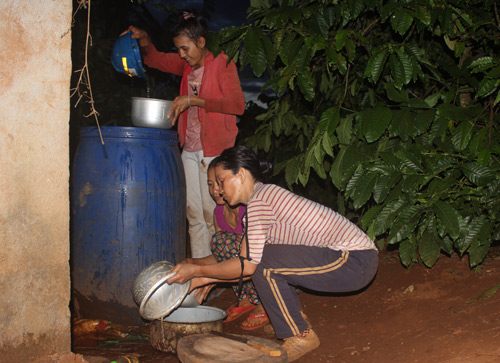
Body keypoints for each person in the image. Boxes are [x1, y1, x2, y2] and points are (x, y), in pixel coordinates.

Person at [167, 146, 379, 361]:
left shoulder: (261, 201)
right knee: (267, 258)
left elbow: (248, 266)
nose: (219, 190)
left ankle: (300, 335)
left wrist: (198, 271)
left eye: (221, 181)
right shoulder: (261, 199)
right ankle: (293, 318)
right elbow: (243, 260)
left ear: (240, 174)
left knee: (265, 263)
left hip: (353, 259)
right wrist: (206, 277)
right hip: (351, 260)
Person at [125, 10, 246, 258]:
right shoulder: (185, 66)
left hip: (214, 151)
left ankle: (221, 266)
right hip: (189, 149)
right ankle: (202, 268)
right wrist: (145, 39)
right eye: (178, 49)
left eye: (185, 48)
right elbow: (155, 59)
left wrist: (193, 100)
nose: (181, 55)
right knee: (193, 212)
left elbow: (237, 105)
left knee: (211, 211)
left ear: (200, 42)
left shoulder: (223, 63)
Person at [206, 159, 269, 330]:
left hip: (266, 264)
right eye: (210, 184)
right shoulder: (218, 212)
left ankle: (266, 301)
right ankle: (245, 298)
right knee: (219, 243)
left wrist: (207, 275)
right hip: (244, 265)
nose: (215, 190)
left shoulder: (248, 206)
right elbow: (221, 253)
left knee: (235, 247)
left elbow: (254, 250)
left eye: (220, 183)